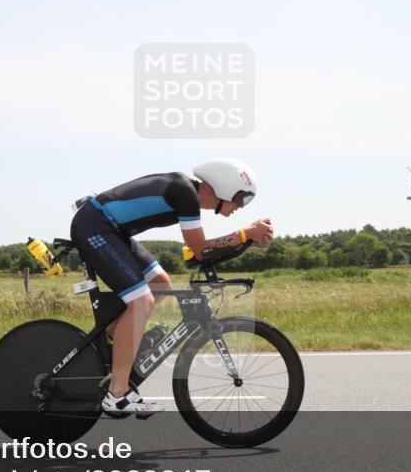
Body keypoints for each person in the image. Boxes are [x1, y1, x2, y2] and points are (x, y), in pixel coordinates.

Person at [69, 158, 274, 416]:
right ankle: (117, 394)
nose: (240, 207)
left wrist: (245, 238)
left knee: (160, 284)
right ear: (225, 187)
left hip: (111, 229)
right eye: (242, 199)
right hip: (95, 226)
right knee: (141, 301)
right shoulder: (185, 193)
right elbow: (200, 250)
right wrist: (244, 234)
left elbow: (194, 253)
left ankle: (120, 338)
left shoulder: (187, 194)